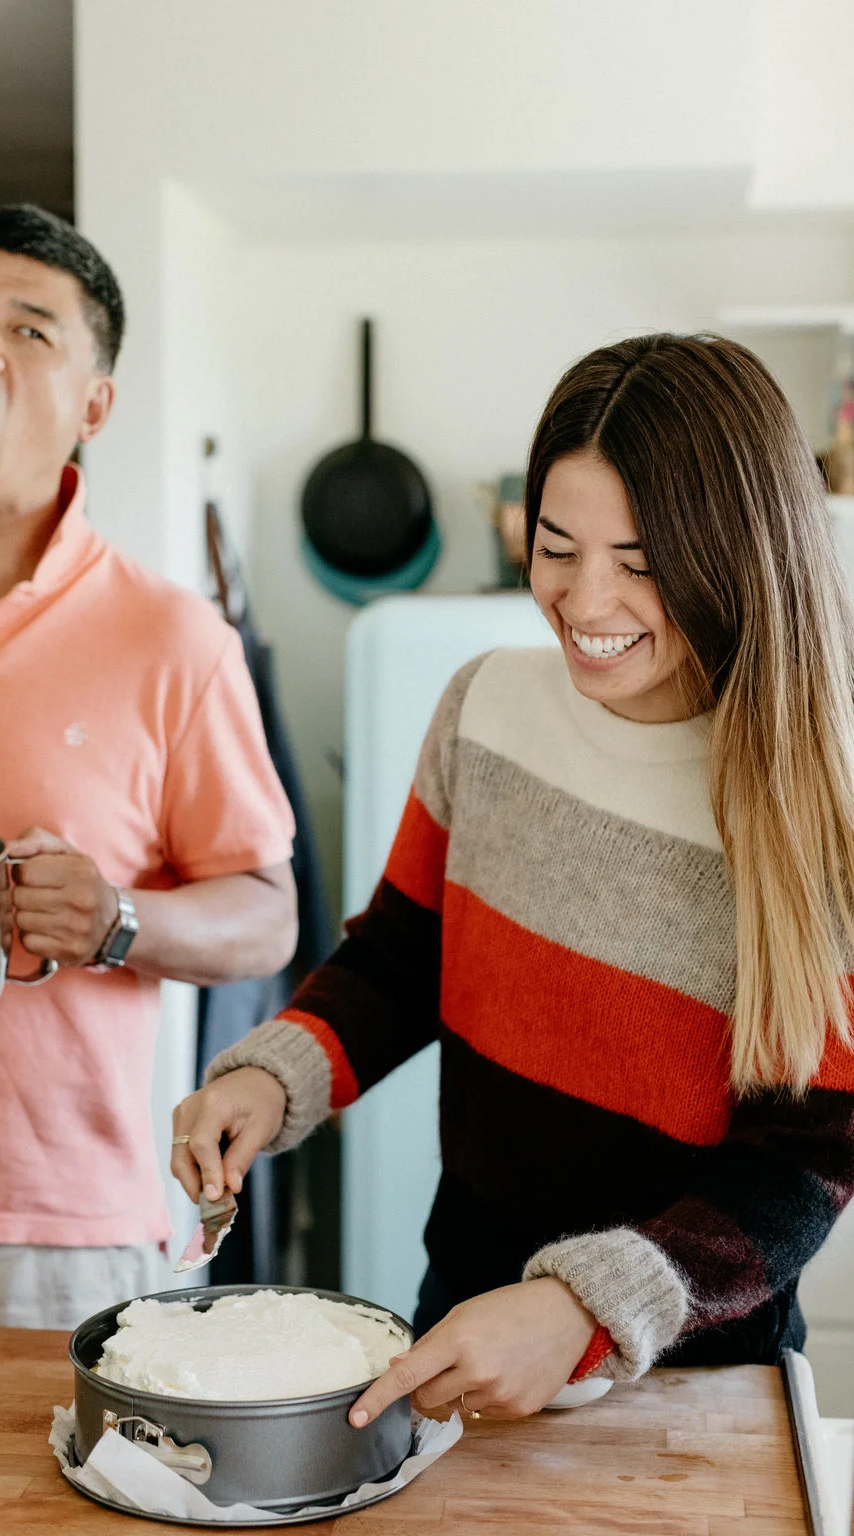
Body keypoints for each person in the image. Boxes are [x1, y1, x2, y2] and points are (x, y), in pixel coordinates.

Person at [172, 333, 854, 1426]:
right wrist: (271, 1078)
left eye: (640, 561)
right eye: (555, 545)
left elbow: (807, 1161)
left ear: (738, 552)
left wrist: (582, 1306)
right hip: (464, 1325)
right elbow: (400, 958)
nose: (587, 601)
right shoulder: (484, 706)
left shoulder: (820, 801)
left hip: (697, 1377)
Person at [0, 204, 297, 1328]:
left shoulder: (174, 639)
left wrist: (119, 919)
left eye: (31, 329)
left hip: (54, 1241)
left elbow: (267, 917)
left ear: (95, 407)